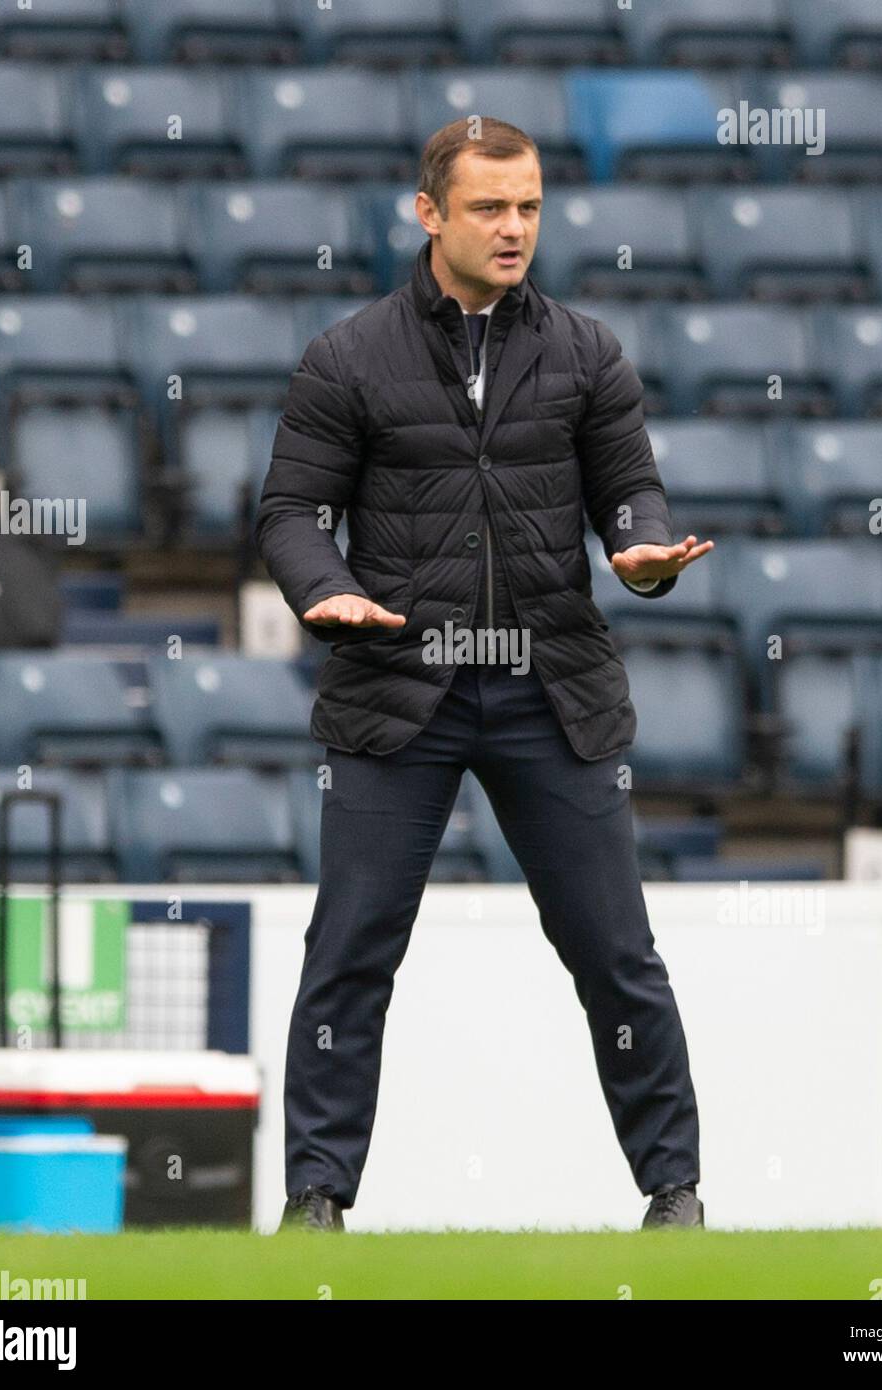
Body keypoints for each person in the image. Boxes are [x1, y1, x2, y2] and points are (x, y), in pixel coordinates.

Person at [255, 117, 714, 1233]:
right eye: (489, 209)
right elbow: (290, 512)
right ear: (428, 214)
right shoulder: (346, 356)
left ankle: (675, 1195)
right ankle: (316, 1196)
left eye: (529, 208)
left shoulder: (588, 353)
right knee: (350, 950)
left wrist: (641, 556)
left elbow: (628, 497)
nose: (514, 229)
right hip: (393, 685)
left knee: (614, 950)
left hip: (549, 688)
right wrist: (321, 586)